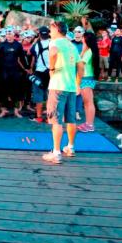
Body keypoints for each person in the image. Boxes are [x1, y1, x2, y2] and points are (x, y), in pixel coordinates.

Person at [42, 21, 84, 165]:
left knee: (56, 120)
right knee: (71, 119)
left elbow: (53, 53)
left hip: (58, 86)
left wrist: (52, 69)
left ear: (57, 30)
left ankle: (56, 152)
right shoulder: (71, 45)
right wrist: (78, 83)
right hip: (71, 87)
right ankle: (70, 147)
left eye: (51, 29)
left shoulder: (55, 43)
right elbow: (80, 66)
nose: (49, 32)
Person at [0, 27, 26, 118]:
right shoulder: (2, 45)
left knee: (16, 91)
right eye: (7, 34)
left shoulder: (18, 45)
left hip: (15, 70)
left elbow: (23, 58)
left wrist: (26, 68)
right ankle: (3, 110)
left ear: (13, 35)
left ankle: (16, 111)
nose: (8, 36)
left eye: (10, 34)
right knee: (3, 91)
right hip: (4, 71)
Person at [77, 32, 99, 132]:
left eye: (83, 38)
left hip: (86, 78)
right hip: (85, 78)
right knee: (86, 102)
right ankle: (88, 123)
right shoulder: (87, 50)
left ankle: (90, 124)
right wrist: (83, 49)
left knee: (88, 102)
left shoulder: (89, 51)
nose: (81, 39)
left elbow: (80, 64)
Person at [29, 26, 50, 123]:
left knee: (38, 95)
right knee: (51, 96)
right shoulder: (54, 44)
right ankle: (50, 117)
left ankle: (39, 116)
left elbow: (30, 53)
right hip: (52, 73)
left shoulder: (36, 45)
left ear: (40, 34)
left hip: (39, 72)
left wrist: (35, 40)